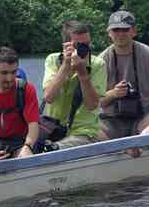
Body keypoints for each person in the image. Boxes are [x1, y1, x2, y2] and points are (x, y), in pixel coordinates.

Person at [98, 11, 149, 148]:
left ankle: (140, 141)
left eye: (125, 29)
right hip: (111, 122)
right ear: (109, 33)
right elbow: (95, 102)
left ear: (134, 31)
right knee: (87, 129)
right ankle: (122, 147)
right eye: (116, 29)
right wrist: (113, 93)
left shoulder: (148, 54)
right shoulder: (101, 60)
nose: (120, 34)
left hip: (142, 120)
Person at [41, 20, 107, 149]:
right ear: (66, 45)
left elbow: (92, 105)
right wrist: (65, 65)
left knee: (53, 149)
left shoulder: (98, 64)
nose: (84, 49)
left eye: (87, 44)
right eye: (79, 45)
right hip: (52, 128)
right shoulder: (53, 60)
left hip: (83, 132)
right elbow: (49, 97)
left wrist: (83, 74)